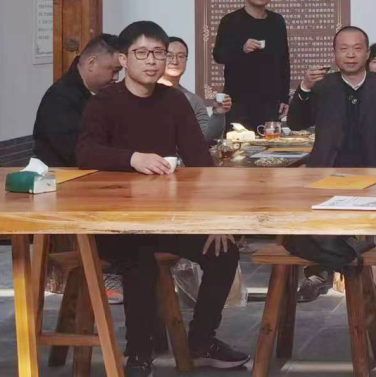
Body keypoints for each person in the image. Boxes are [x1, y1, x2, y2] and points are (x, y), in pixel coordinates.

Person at [77, 21, 248, 376]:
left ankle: (201, 340)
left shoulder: (173, 101)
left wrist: (216, 219)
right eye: (142, 53)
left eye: (159, 53)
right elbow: (86, 152)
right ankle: (139, 353)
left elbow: (199, 160)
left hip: (166, 217)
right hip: (117, 221)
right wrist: (132, 158)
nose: (152, 61)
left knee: (223, 251)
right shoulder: (104, 101)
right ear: (123, 59)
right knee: (138, 259)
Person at [288, 26, 376, 302]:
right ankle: (319, 275)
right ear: (335, 54)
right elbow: (295, 122)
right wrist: (304, 87)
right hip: (328, 173)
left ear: (367, 53)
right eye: (343, 49)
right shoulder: (323, 86)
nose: (350, 55)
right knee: (313, 227)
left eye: (357, 48)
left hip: (374, 172)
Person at [211, 0, 290, 128]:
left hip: (270, 103)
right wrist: (242, 49)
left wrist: (284, 98)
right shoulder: (230, 21)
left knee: (271, 142)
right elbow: (219, 55)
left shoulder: (277, 21)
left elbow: (284, 61)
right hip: (238, 103)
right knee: (239, 142)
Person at [32, 34, 122, 167]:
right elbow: (78, 153)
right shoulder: (59, 98)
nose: (116, 78)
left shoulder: (101, 95)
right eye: (114, 70)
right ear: (91, 63)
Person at [160, 36, 232, 142]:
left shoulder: (193, 100)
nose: (175, 61)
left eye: (181, 56)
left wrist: (218, 113)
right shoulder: (145, 92)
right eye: (169, 55)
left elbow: (207, 139)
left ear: (186, 60)